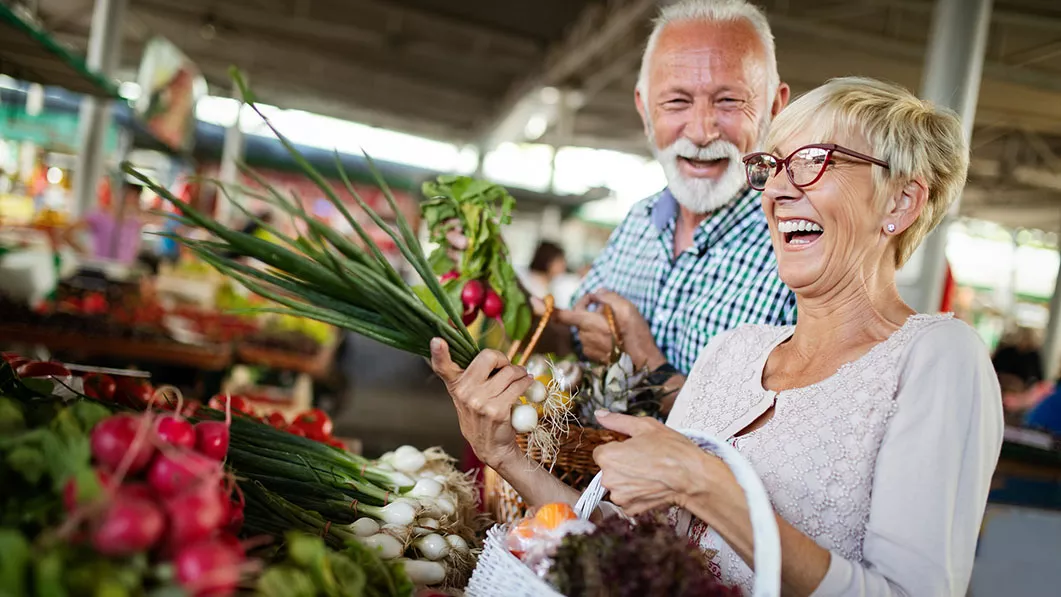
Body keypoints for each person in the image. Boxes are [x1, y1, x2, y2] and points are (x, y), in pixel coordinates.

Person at [431, 77, 1003, 596]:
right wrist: (505, 456)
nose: (776, 191)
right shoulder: (733, 351)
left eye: (811, 162)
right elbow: (630, 555)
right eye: (771, 167)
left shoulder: (936, 357)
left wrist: (704, 484)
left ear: (902, 201)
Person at [446, 0, 796, 410]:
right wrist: (499, 276)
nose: (702, 131)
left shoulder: (797, 241)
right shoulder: (639, 221)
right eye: (677, 102)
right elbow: (568, 342)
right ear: (644, 109)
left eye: (729, 101)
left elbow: (783, 430)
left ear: (774, 106)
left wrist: (642, 358)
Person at [65, 179, 146, 265]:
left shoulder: (134, 222)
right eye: (129, 194)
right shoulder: (100, 216)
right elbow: (68, 233)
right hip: (101, 270)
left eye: (135, 196)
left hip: (123, 272)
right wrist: (84, 253)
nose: (131, 200)